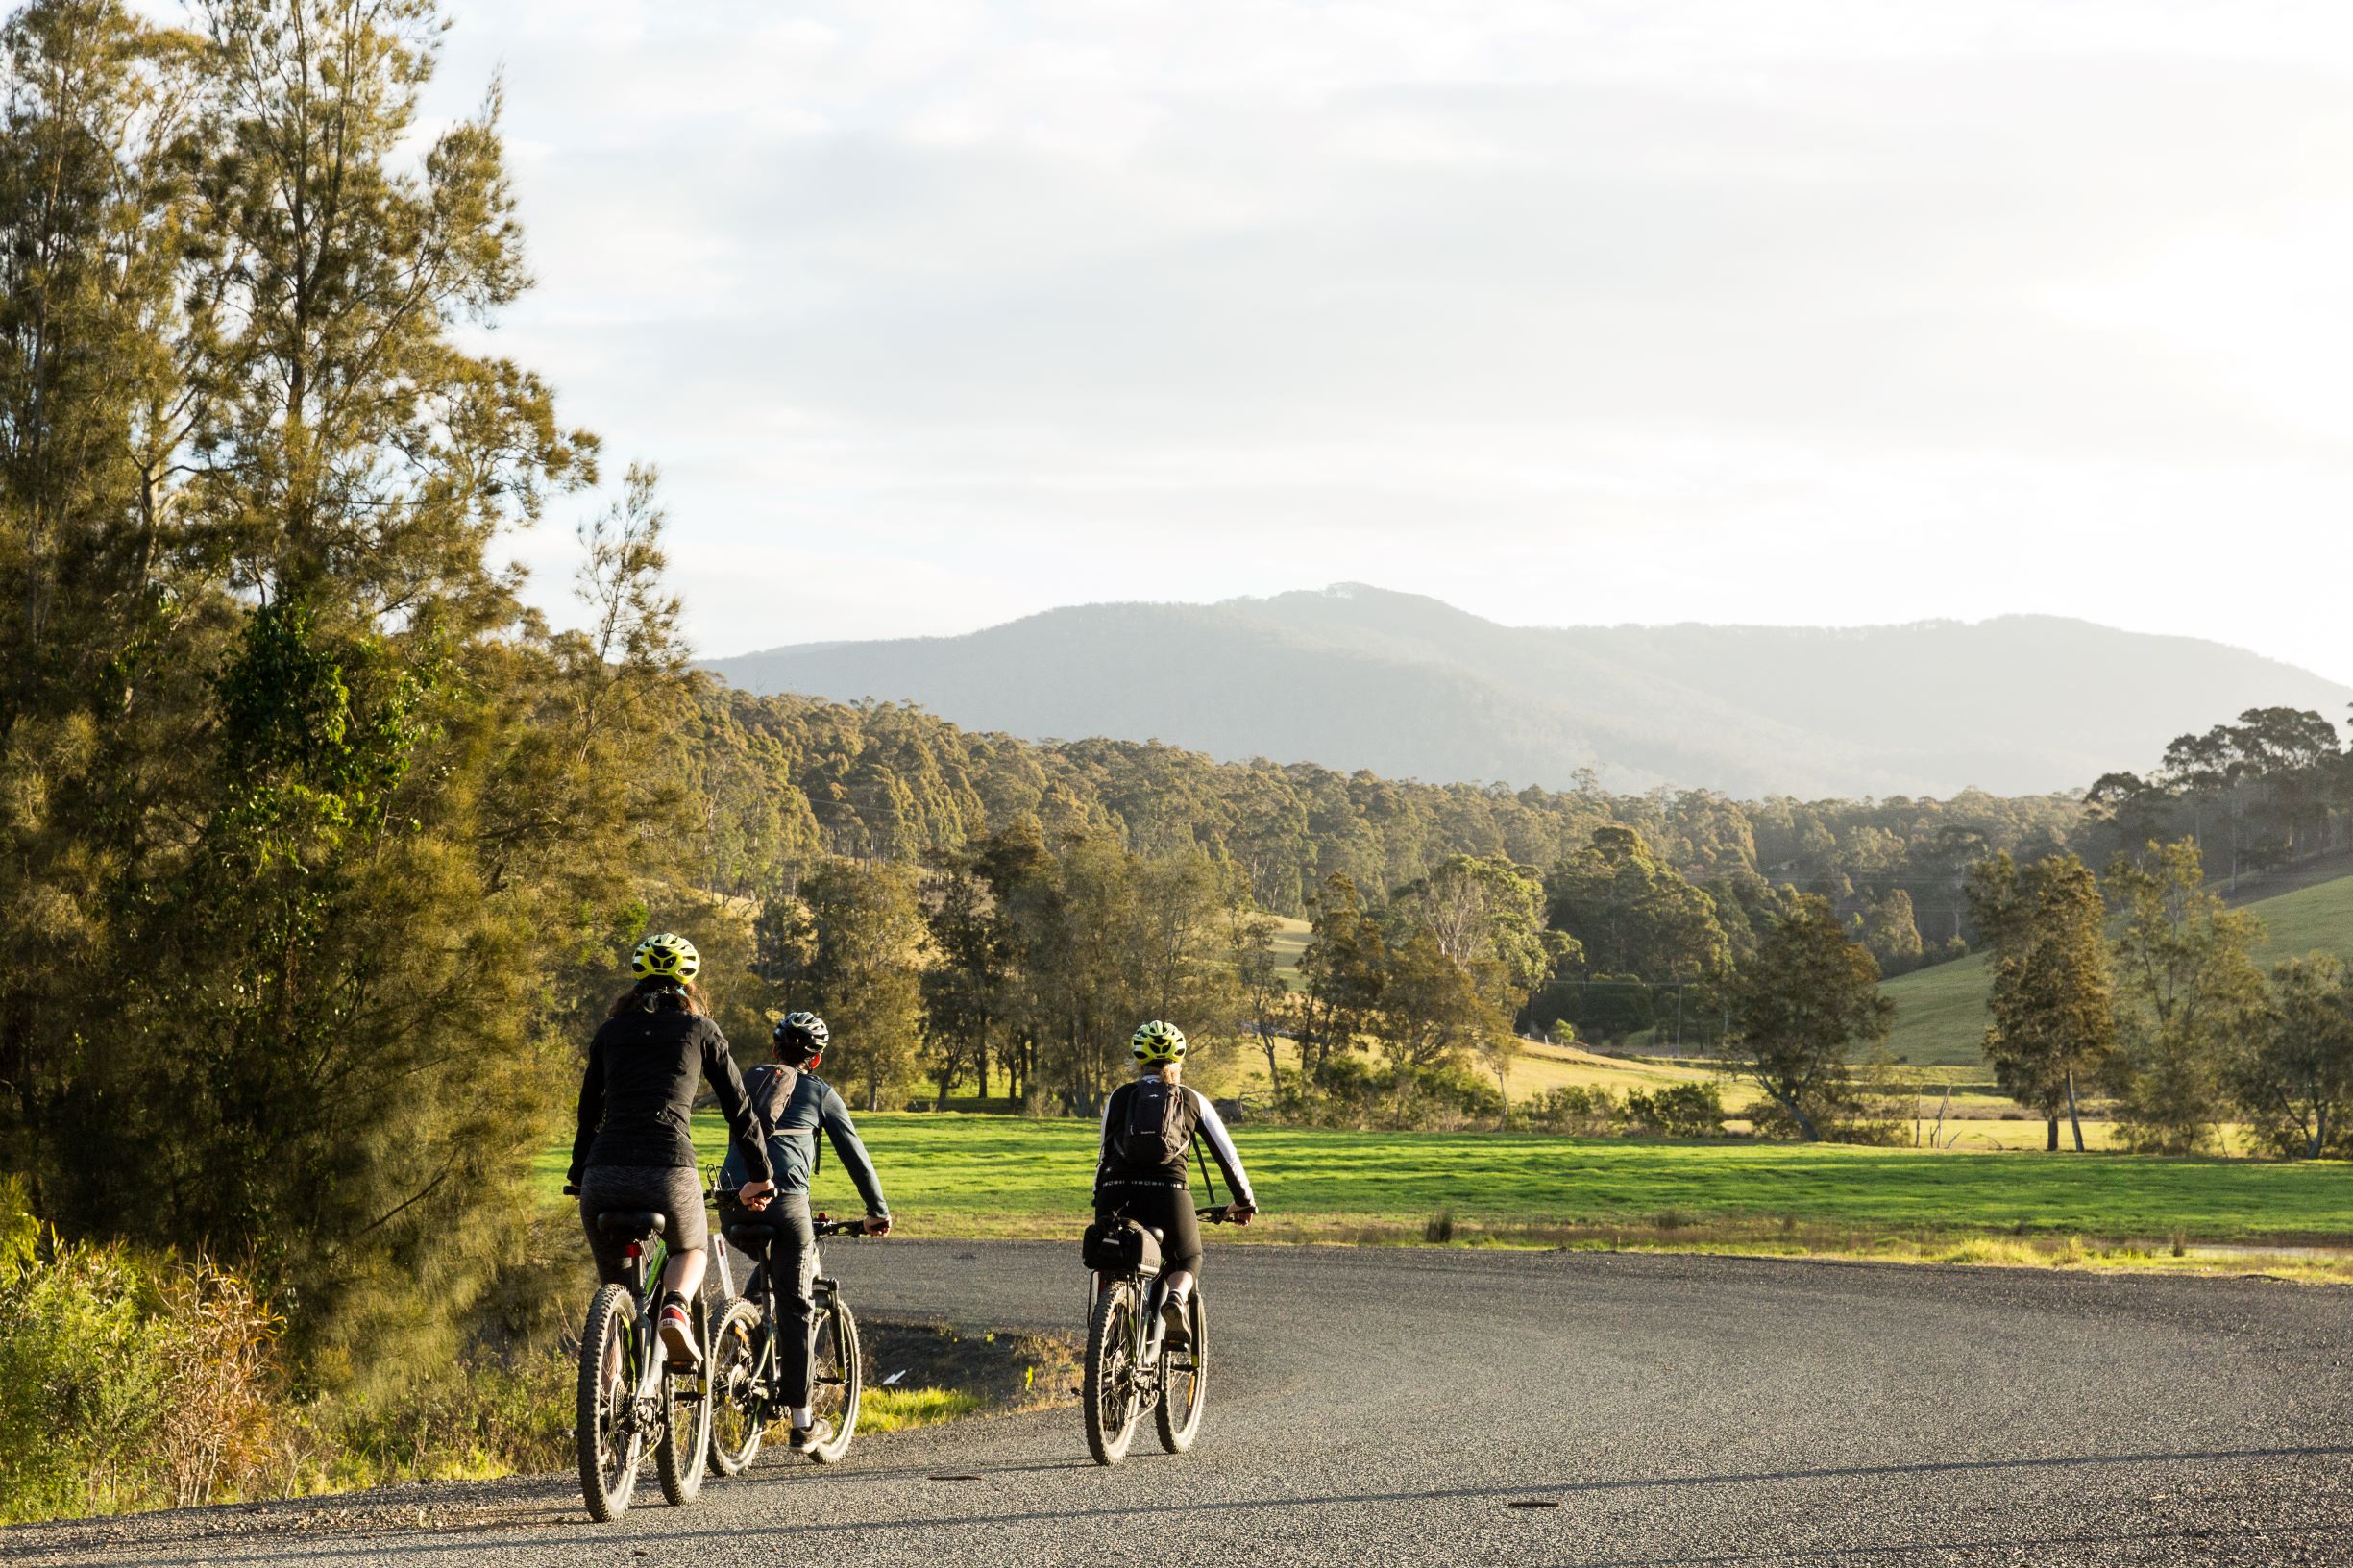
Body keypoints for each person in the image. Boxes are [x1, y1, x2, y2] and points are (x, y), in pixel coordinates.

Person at [568, 932, 776, 1366]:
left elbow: (589, 1113)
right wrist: (760, 1175)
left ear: (637, 983)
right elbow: (739, 1108)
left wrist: (578, 1175)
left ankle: (604, 1394)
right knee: (691, 1248)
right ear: (688, 984)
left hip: (602, 1175)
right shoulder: (699, 1029)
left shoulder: (609, 1033)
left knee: (616, 1299)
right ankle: (676, 1308)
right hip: (667, 1169)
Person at [719, 1009, 892, 1452]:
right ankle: (802, 1422)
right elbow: (855, 1155)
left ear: (774, 1050)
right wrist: (876, 1210)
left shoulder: (749, 1081)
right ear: (815, 1060)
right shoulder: (820, 1092)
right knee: (797, 1305)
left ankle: (747, 1335)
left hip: (734, 1206)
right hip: (785, 1207)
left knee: (768, 1274)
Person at [1093, 1019, 1256, 1348]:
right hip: (1168, 1195)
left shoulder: (1119, 1097)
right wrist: (1244, 1201)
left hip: (1117, 1193)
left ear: (1139, 1062)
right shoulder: (1192, 1100)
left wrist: (1100, 1198)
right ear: (1178, 1062)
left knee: (1112, 1259)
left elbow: (1103, 1155)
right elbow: (1228, 1158)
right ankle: (1177, 1300)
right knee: (1188, 1257)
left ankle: (1105, 1333)